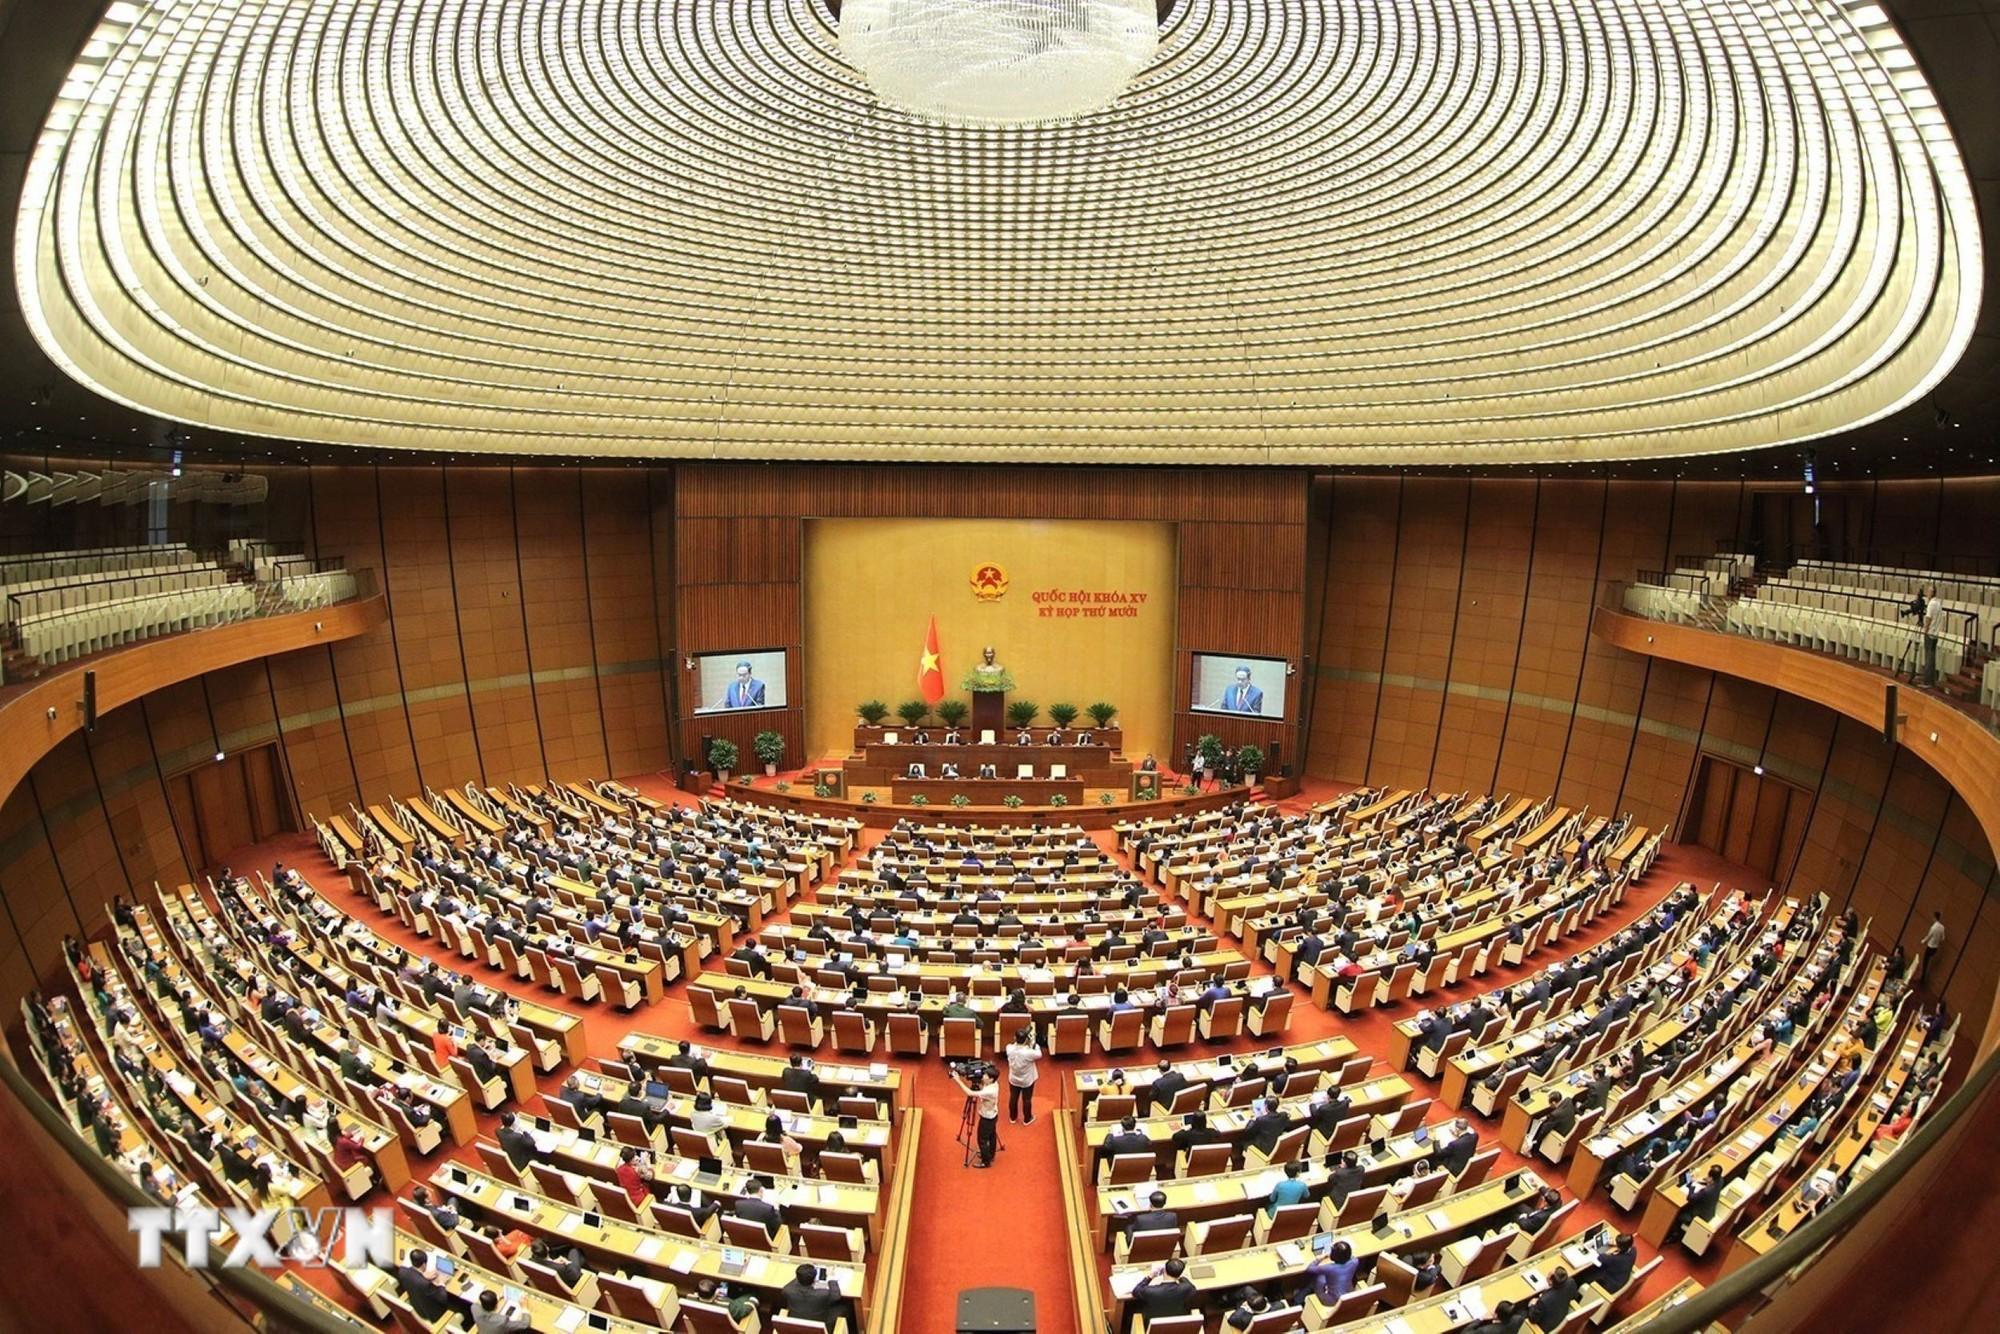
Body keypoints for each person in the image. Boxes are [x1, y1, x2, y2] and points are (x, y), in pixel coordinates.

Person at [952, 1062, 1001, 1167]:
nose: (983, 1076)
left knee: (982, 1139)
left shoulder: (990, 1091)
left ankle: (985, 1162)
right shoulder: (994, 1083)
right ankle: (990, 1155)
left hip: (987, 1118)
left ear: (991, 1079)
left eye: (985, 1075)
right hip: (993, 1115)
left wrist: (958, 1080)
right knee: (992, 1136)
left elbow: (970, 1093)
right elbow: (982, 1085)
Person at [778, 1261, 849, 1330]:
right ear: (814, 1280)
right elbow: (836, 1296)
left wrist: (803, 1276)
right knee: (844, 1308)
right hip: (820, 1322)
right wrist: (831, 1278)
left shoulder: (787, 1290)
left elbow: (788, 1287)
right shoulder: (822, 1294)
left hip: (796, 1324)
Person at [1129, 1258, 1197, 1321]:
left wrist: (1150, 1277)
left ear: (1164, 1270)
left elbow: (1136, 1291)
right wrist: (1180, 1277)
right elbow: (1192, 1288)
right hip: (1177, 1325)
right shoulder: (1186, 1288)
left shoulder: (1151, 1291)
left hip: (1153, 1324)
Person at [1004, 1027, 1042, 1124]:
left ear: (1014, 1038)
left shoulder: (1009, 1048)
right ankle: (1027, 1119)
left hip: (1013, 1078)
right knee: (1027, 1099)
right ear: (1026, 1040)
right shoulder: (1029, 1053)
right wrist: (1033, 1043)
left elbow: (1014, 1045)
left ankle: (1012, 1117)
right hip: (1026, 1080)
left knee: (1013, 1097)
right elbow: (1039, 1054)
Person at [1303, 1239, 1360, 1303]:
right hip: (1348, 1294)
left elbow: (1310, 1269)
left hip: (1333, 1300)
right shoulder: (1355, 1261)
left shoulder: (1329, 1268)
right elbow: (1350, 1256)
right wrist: (1339, 1248)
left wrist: (1320, 1258)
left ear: (1332, 1256)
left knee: (1318, 1277)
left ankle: (1303, 1297)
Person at [1919, 912, 1946, 987]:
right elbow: (1943, 938)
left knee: (1925, 962)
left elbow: (1929, 936)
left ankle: (1923, 978)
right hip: (1935, 948)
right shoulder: (1942, 927)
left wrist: (1923, 941)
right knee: (1929, 962)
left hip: (1930, 947)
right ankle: (1924, 977)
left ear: (1934, 917)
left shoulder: (1933, 927)